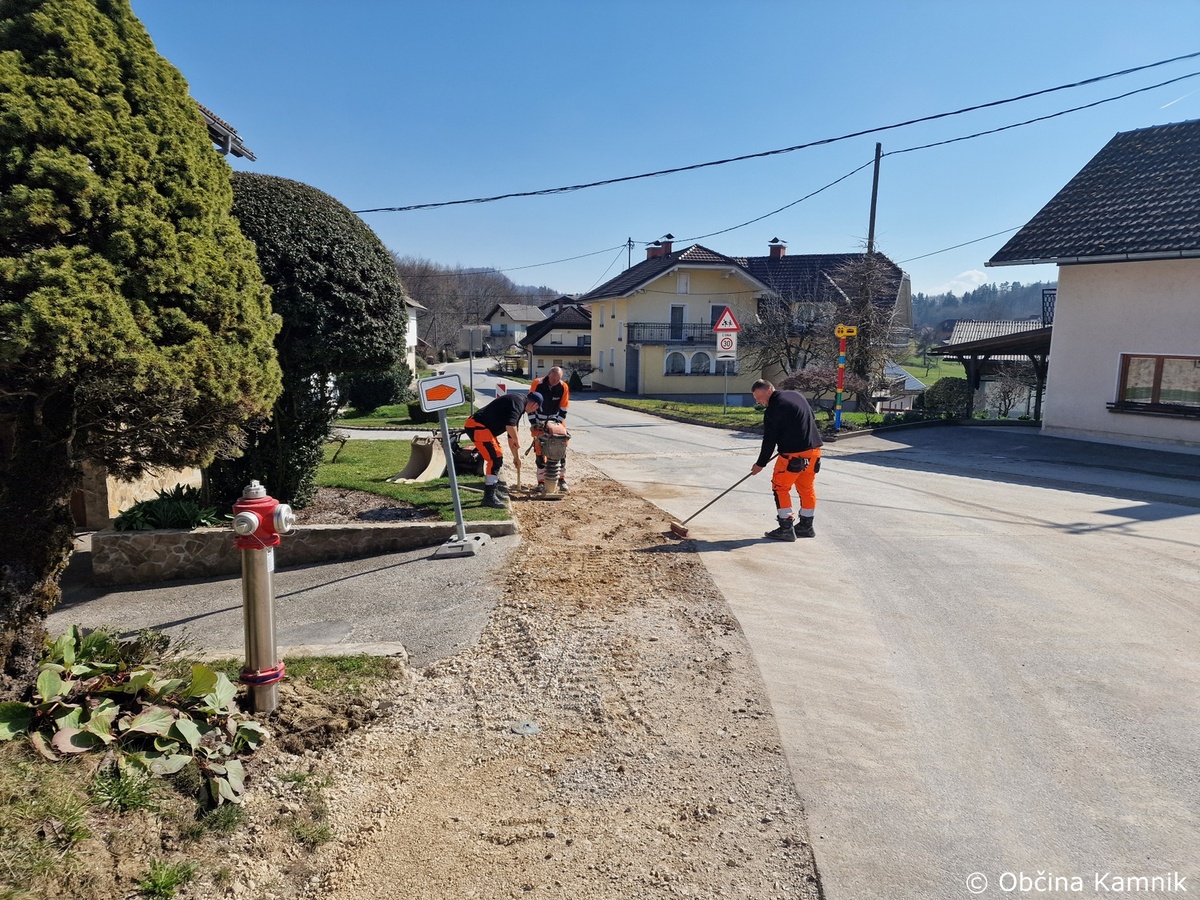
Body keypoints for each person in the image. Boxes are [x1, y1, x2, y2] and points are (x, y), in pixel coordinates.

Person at [749, 379, 823, 541]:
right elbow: (809, 417)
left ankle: (786, 528)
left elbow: (769, 440)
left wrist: (760, 464)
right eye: (756, 399)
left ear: (769, 390)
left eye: (759, 397)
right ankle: (806, 526)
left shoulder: (774, 409)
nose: (758, 401)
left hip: (792, 456)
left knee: (780, 487)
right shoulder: (796, 395)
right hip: (814, 451)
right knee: (806, 488)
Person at [464, 391, 542, 509]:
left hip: (482, 428)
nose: (534, 411)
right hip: (477, 426)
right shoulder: (518, 402)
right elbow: (510, 427)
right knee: (495, 459)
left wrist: (516, 458)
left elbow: (511, 436)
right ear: (535, 405)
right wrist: (517, 439)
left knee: (497, 457)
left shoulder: (519, 403)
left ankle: (493, 491)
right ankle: (489, 497)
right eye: (536, 409)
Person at [528, 366, 571, 493]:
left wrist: (558, 423)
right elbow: (530, 404)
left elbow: (564, 407)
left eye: (557, 380)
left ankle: (561, 479)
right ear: (548, 375)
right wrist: (534, 423)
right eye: (553, 379)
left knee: (561, 448)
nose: (554, 382)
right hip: (539, 421)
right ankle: (541, 482)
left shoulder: (563, 387)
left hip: (555, 420)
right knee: (539, 451)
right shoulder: (538, 384)